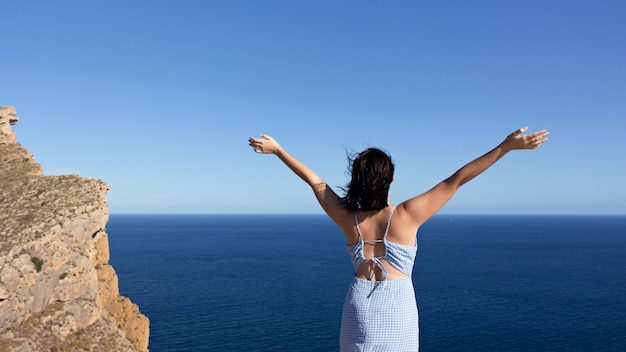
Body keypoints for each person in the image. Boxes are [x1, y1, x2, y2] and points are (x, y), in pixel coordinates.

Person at [248, 126, 549, 351]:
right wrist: (505, 147)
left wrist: (279, 151)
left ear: (356, 179)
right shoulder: (407, 215)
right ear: (391, 178)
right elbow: (457, 179)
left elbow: (316, 182)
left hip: (357, 308)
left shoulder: (346, 216)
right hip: (398, 309)